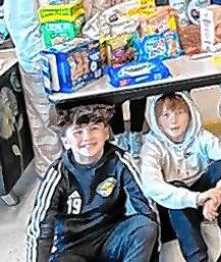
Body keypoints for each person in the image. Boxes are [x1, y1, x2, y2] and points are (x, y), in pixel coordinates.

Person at [5, 0, 110, 176]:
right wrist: (42, 59)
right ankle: (54, 181)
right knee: (49, 125)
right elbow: (20, 19)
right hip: (44, 62)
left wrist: (84, 46)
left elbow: (100, 4)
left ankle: (91, 178)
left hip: (83, 60)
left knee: (86, 121)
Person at [26, 104, 158, 262]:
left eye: (94, 128)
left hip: (111, 236)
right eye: (78, 132)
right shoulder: (57, 175)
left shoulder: (120, 161)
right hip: (73, 247)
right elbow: (40, 228)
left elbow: (146, 207)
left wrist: (151, 256)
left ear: (106, 132)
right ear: (65, 141)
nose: (87, 137)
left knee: (145, 226)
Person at [140, 93, 221, 262]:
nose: (173, 121)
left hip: (206, 200)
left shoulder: (200, 136)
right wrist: (197, 198)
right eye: (166, 115)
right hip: (175, 211)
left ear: (190, 113)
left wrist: (219, 192)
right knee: (174, 186)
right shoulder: (152, 147)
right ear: (156, 119)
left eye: (179, 113)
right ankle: (198, 258)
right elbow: (151, 186)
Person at [86, 0, 151, 157]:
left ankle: (135, 133)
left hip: (132, 31)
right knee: (111, 88)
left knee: (138, 83)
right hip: (103, 34)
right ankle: (118, 135)